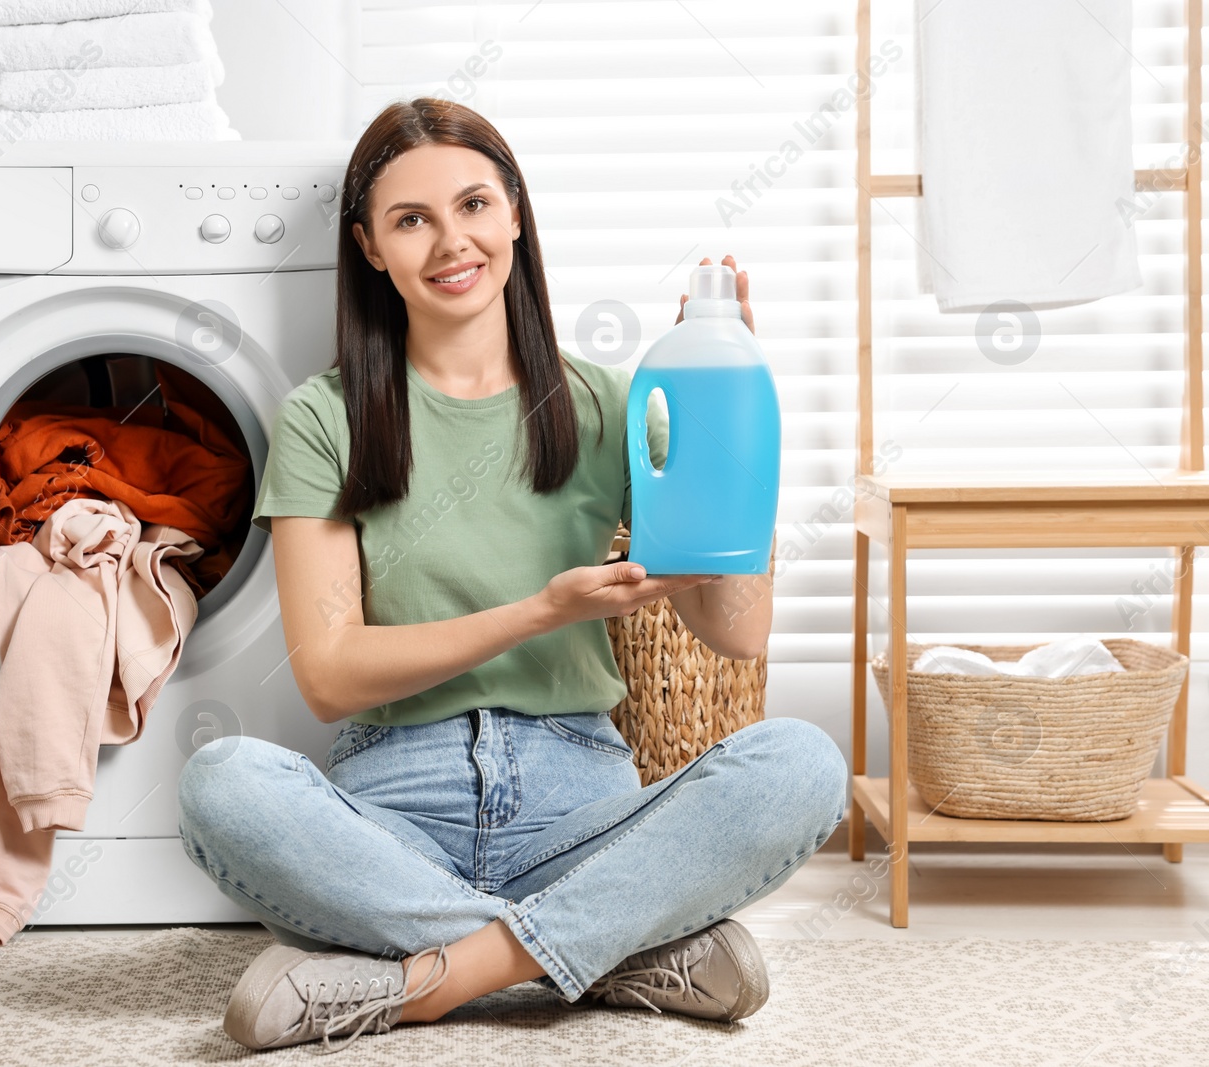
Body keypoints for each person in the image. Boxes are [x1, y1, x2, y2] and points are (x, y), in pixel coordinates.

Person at [176, 97, 848, 1054]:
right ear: (370, 246)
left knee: (804, 764)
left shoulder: (609, 403)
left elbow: (735, 629)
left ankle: (421, 980)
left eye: (475, 205)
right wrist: (539, 610)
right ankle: (610, 953)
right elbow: (328, 675)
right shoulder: (325, 420)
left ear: (517, 214)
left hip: (582, 807)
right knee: (223, 781)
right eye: (412, 219)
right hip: (392, 815)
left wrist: (716, 422)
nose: (453, 241)